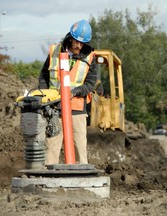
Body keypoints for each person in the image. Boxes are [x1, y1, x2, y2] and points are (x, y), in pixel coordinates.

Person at [38, 19, 97, 165]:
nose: (78, 45)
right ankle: (49, 178)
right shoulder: (55, 52)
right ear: (70, 38)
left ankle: (81, 178)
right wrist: (45, 96)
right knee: (52, 146)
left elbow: (90, 84)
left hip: (76, 108)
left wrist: (76, 91)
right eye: (76, 41)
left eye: (82, 43)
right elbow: (43, 76)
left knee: (79, 148)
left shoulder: (90, 57)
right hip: (54, 108)